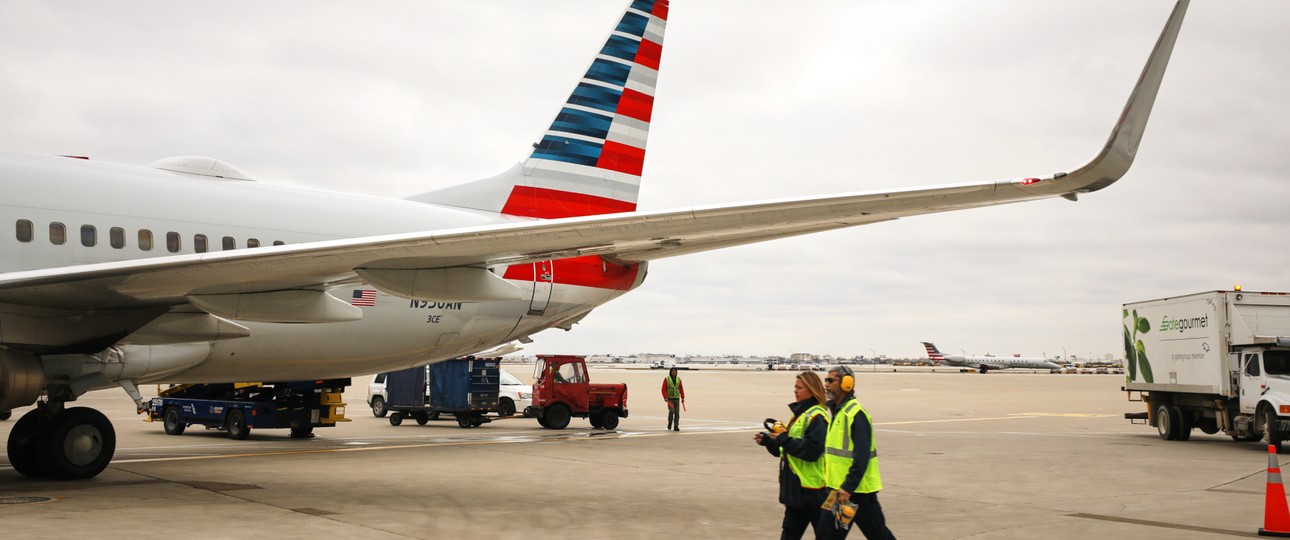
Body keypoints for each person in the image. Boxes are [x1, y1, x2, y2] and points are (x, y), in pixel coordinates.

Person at [755, 371, 832, 539]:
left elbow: (812, 452)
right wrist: (770, 442)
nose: (795, 391)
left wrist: (783, 438)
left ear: (811, 390)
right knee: (789, 534)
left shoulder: (816, 416)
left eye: (799, 387)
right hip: (796, 491)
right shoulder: (800, 415)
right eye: (794, 387)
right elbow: (788, 450)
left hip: (812, 491)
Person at [821, 366, 895, 540]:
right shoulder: (838, 412)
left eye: (830, 380)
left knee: (878, 535)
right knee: (827, 535)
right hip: (839, 491)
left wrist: (848, 486)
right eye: (826, 380)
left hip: (856, 492)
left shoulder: (855, 414)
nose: (826, 384)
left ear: (847, 384)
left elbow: (862, 455)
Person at [661, 367, 685, 431]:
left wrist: (683, 397)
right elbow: (663, 389)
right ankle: (670, 423)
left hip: (677, 398)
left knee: (677, 413)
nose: (674, 372)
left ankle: (676, 426)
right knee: (671, 411)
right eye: (673, 371)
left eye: (675, 371)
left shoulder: (679, 379)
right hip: (670, 399)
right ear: (670, 372)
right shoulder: (667, 379)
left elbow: (681, 388)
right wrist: (665, 397)